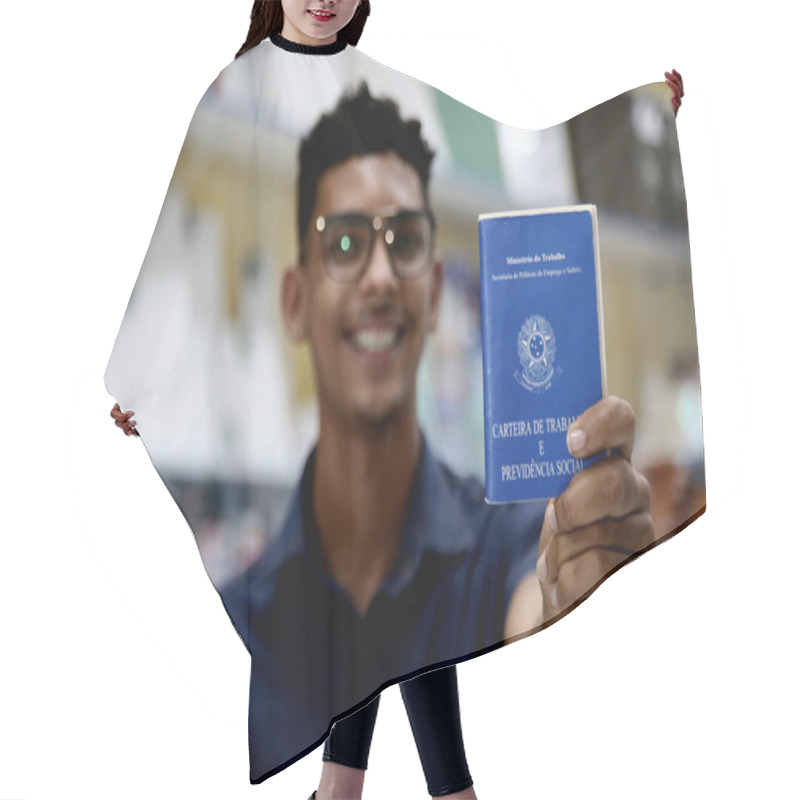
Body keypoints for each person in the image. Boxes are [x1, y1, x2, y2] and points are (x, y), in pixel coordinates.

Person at [109, 2, 685, 796]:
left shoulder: (489, 539)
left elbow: (523, 580)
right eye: (344, 244)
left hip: (428, 523)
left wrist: (644, 106)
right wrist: (141, 377)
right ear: (294, 296)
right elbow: (173, 217)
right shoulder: (236, 86)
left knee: (393, 554)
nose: (379, 277)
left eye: (405, 243)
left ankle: (358, 788)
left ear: (435, 292)